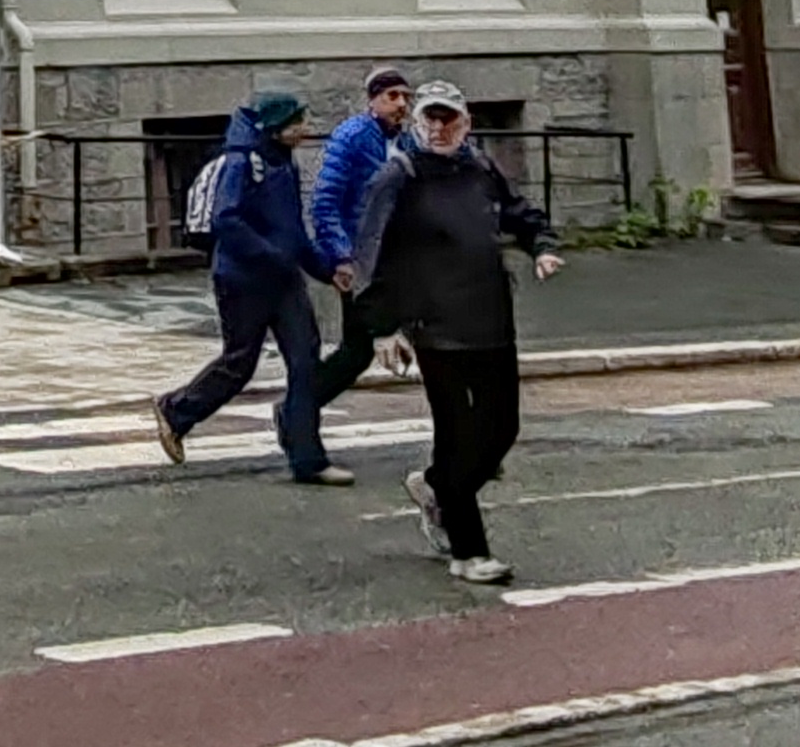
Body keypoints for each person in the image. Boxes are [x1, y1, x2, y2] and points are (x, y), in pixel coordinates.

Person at [350, 79, 561, 585]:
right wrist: (382, 328)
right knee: (459, 435)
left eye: (450, 119)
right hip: (434, 325)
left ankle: (434, 487)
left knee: (501, 429)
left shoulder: (480, 167)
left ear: (466, 123)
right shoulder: (397, 177)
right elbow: (371, 254)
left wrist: (541, 245)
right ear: (417, 123)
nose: (440, 128)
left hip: (490, 317)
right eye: (431, 119)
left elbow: (517, 211)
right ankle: (469, 552)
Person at [151, 91, 350, 486]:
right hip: (243, 280)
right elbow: (227, 220)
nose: (304, 130)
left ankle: (308, 458)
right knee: (240, 362)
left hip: (284, 281)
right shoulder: (243, 164)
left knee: (305, 362)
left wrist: (326, 270)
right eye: (297, 123)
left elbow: (294, 231)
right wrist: (272, 254)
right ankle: (177, 411)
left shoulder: (285, 165)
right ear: (274, 129)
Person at [311, 66, 417, 407]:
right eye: (392, 96)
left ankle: (300, 406)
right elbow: (326, 201)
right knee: (358, 349)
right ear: (373, 101)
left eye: (406, 97)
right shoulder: (352, 137)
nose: (401, 104)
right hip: (361, 260)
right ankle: (300, 405)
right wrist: (342, 256)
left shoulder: (407, 140)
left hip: (397, 257)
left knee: (365, 347)